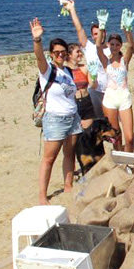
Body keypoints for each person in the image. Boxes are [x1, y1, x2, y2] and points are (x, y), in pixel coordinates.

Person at [29, 18, 81, 205]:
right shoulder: (47, 70)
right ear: (52, 54)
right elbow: (39, 58)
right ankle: (43, 195)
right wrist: (37, 40)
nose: (60, 55)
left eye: (63, 52)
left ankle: (68, 186)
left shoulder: (67, 71)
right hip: (55, 119)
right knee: (49, 158)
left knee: (69, 153)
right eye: (56, 52)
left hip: (72, 117)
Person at [94, 10, 134, 152]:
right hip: (110, 100)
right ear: (109, 45)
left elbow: (131, 45)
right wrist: (102, 27)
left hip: (124, 98)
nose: (115, 47)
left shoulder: (124, 60)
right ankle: (120, 160)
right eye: (112, 44)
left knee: (129, 138)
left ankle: (129, 160)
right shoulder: (106, 61)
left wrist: (127, 29)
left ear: (120, 45)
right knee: (115, 136)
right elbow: (98, 47)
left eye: (117, 44)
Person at [65, 43, 95, 129]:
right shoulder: (64, 70)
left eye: (80, 51)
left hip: (86, 102)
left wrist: (94, 75)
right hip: (72, 103)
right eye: (77, 52)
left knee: (87, 133)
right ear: (69, 55)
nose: (80, 54)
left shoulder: (84, 68)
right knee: (73, 135)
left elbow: (92, 85)